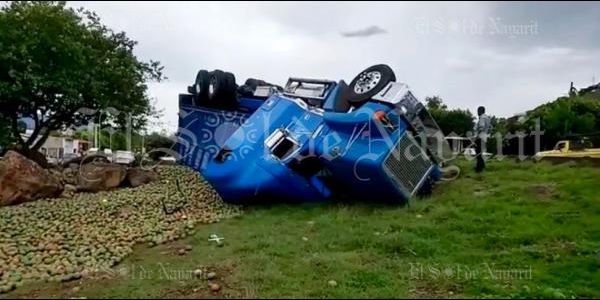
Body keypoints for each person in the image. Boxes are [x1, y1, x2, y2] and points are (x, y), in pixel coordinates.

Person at [474, 106, 491, 173]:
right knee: (480, 153)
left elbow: (481, 127)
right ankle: (482, 166)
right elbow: (489, 128)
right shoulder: (487, 118)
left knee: (478, 154)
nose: (477, 112)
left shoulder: (482, 117)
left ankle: (479, 169)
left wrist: (476, 136)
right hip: (485, 137)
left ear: (481, 111)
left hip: (480, 137)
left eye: (478, 111)